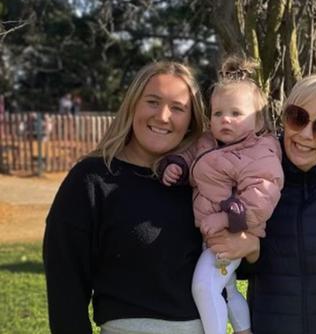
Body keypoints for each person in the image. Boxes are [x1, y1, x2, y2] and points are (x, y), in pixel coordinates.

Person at [43, 61, 208, 334]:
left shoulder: (201, 180)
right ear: (132, 105)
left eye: (178, 108)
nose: (163, 116)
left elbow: (241, 264)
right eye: (153, 102)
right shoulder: (91, 180)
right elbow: (65, 286)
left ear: (191, 120)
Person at [207, 75, 316, 334]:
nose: (305, 134)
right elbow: (236, 268)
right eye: (298, 117)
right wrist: (251, 251)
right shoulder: (252, 174)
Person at [159, 56, 284, 334]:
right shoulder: (209, 141)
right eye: (218, 114)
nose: (225, 119)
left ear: (258, 119)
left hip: (231, 236)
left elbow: (262, 198)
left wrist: (226, 218)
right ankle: (243, 330)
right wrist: (177, 165)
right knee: (226, 290)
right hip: (211, 235)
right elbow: (190, 154)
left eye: (236, 114)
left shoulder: (258, 153)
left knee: (204, 286)